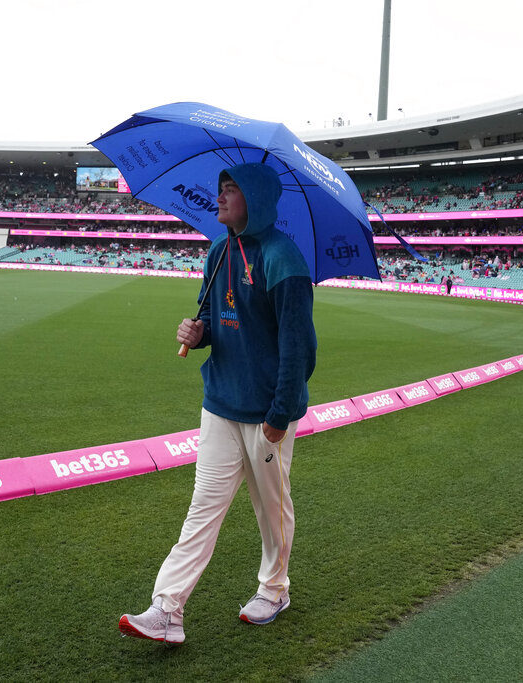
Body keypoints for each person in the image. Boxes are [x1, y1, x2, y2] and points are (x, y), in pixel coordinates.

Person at [119, 162, 317, 644]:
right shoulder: (218, 250)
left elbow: (298, 348)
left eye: (232, 190)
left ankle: (274, 589)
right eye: (221, 189)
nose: (221, 198)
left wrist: (280, 414)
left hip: (267, 413)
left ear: (257, 199)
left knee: (271, 508)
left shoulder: (283, 259)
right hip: (220, 404)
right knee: (202, 508)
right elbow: (212, 317)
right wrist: (198, 331)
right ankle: (167, 609)